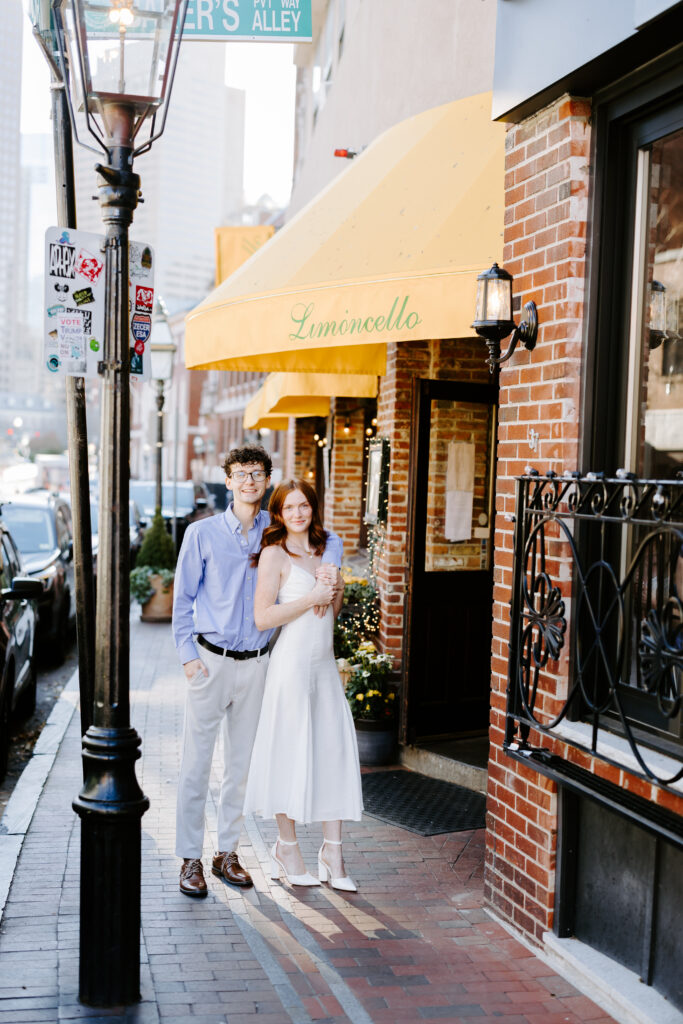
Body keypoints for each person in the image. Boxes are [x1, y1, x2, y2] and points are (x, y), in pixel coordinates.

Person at [172, 447, 343, 897]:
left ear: (267, 480)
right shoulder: (201, 534)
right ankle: (190, 857)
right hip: (209, 662)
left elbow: (330, 541)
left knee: (241, 767)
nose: (249, 480)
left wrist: (334, 569)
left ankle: (227, 852)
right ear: (227, 481)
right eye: (240, 473)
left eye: (258, 472)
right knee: (196, 764)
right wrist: (189, 658)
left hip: (260, 664)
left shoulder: (277, 532)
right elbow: (182, 601)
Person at [244, 479, 363, 891]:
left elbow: (330, 611)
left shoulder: (323, 551)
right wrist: (311, 595)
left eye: (304, 506)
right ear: (278, 513)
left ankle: (333, 851)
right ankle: (287, 848)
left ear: (314, 508)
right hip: (291, 668)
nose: (297, 513)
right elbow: (263, 618)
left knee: (331, 753)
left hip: (323, 669)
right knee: (288, 754)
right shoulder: (274, 554)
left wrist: (336, 590)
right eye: (289, 507)